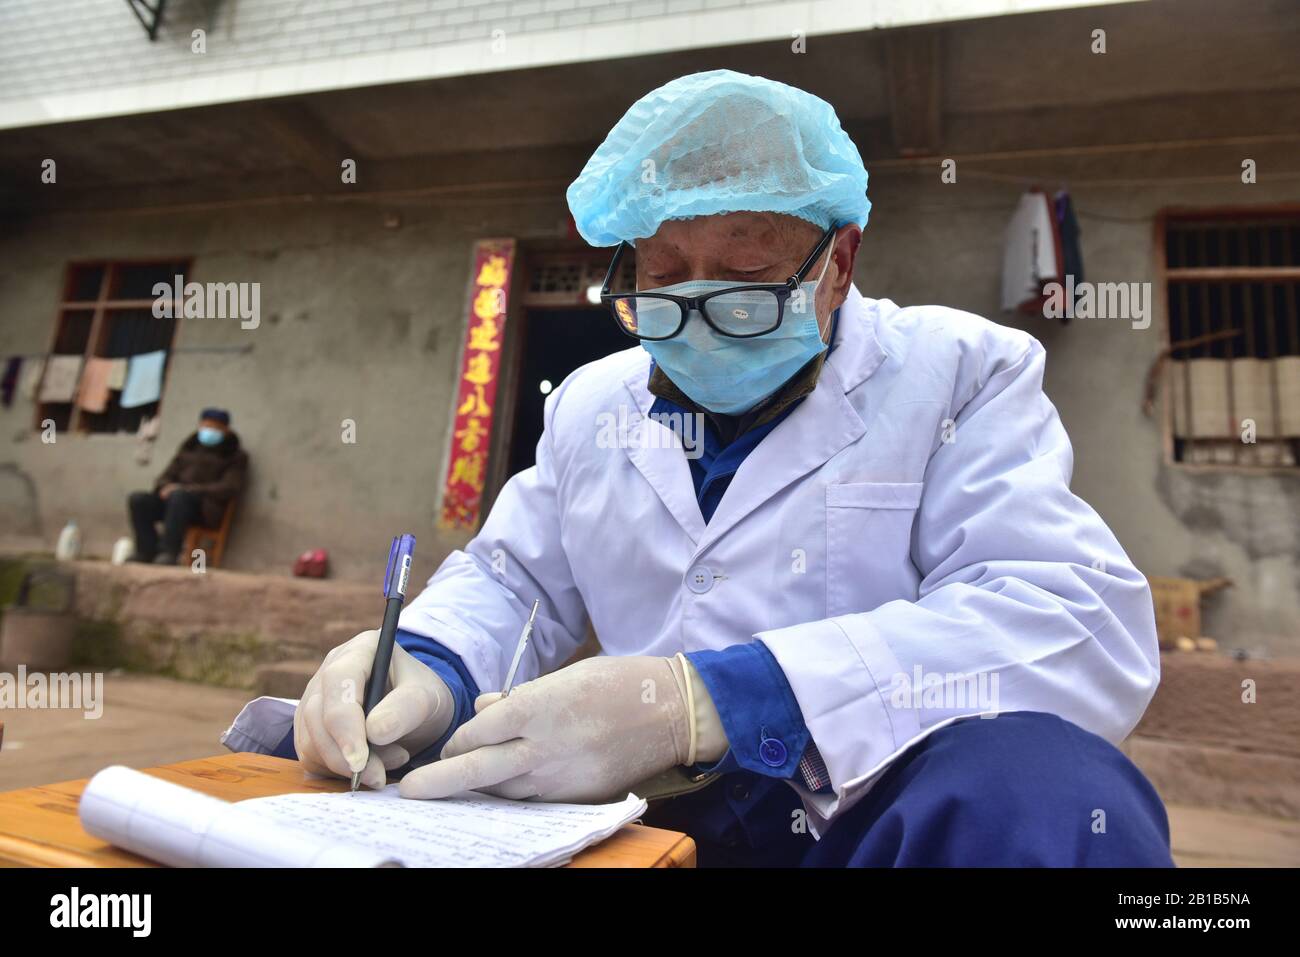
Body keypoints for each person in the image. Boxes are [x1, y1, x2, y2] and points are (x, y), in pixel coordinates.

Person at [282, 71, 1172, 866]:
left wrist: (713, 699)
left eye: (744, 286)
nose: (696, 322)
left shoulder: (959, 372)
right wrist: (429, 666)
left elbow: (1073, 621)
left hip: (858, 821)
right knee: (293, 753)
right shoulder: (595, 400)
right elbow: (514, 583)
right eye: (664, 285)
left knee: (1047, 792)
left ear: (840, 262)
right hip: (639, 821)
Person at [127, 408, 247, 565]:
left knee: (180, 497)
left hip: (205, 508)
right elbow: (164, 477)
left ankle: (168, 552)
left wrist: (189, 490)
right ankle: (145, 550)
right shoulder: (188, 449)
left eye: (215, 428)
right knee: (138, 499)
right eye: (206, 427)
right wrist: (165, 487)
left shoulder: (235, 456)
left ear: (226, 430)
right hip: (173, 502)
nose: (209, 432)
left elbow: (229, 487)